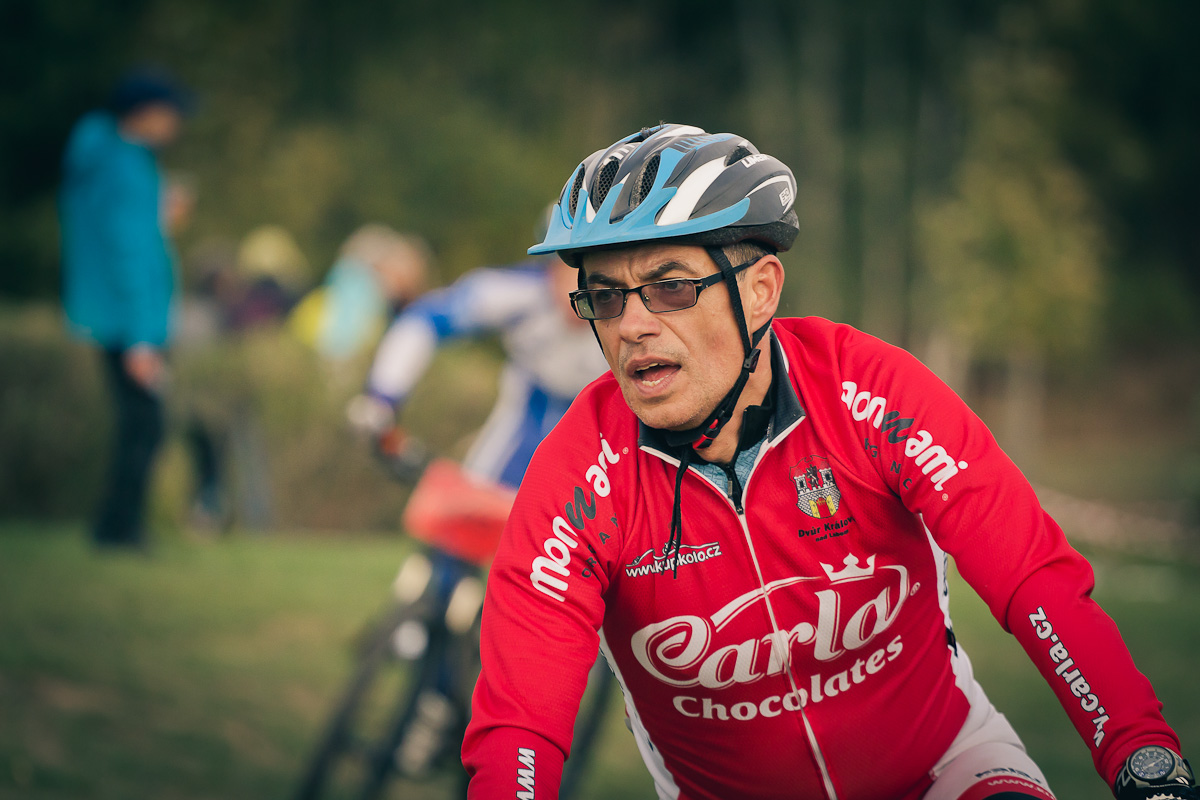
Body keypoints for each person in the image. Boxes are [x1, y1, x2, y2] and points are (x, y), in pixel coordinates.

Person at [461, 124, 1197, 800]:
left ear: (759, 291)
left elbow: (1033, 579)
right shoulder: (579, 476)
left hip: (946, 771)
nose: (632, 325)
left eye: (671, 287)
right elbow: (521, 725)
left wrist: (1142, 755)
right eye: (605, 297)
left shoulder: (866, 393)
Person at [345, 242, 610, 778]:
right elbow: (424, 321)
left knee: (537, 604)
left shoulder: (630, 315)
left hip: (587, 469)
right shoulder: (516, 291)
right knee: (448, 560)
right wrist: (382, 400)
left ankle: (494, 708)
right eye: (564, 269)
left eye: (592, 276)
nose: (574, 288)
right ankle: (433, 687)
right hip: (505, 455)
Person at [59, 67, 193, 551]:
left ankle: (114, 527)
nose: (176, 124)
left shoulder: (104, 160)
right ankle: (119, 528)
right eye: (171, 113)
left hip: (111, 316)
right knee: (145, 427)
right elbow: (131, 255)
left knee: (137, 424)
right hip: (131, 322)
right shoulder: (128, 168)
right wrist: (142, 338)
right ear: (145, 114)